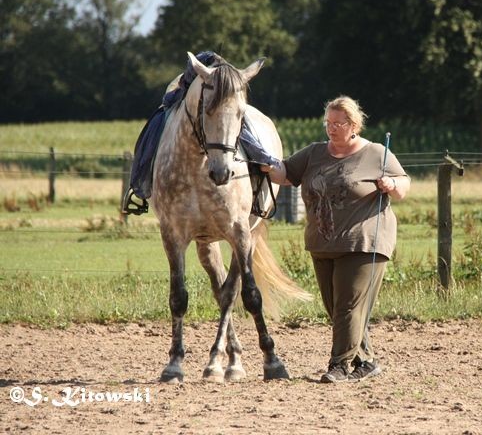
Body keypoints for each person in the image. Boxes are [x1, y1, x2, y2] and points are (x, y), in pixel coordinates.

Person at [261, 95, 410, 383]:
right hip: (323, 243)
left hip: (364, 242)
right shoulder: (314, 153)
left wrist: (391, 184)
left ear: (353, 125)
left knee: (348, 307)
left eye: (337, 123)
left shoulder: (377, 153)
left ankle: (339, 366)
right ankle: (366, 361)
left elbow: (403, 185)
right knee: (338, 309)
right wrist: (267, 165)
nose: (330, 128)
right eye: (327, 123)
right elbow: (285, 174)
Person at [122, 50, 279, 216]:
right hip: (194, 80)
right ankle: (143, 179)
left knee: (237, 122)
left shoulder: (224, 81)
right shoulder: (190, 82)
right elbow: (174, 94)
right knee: (161, 117)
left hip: (207, 78)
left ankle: (139, 180)